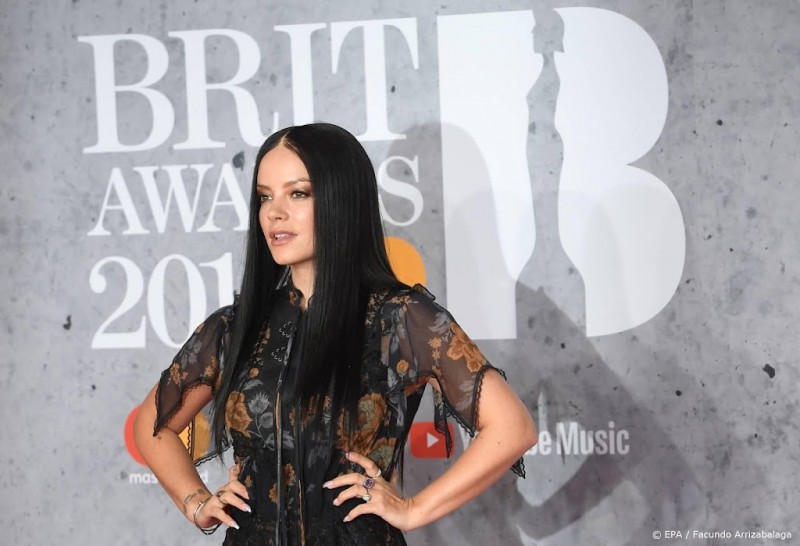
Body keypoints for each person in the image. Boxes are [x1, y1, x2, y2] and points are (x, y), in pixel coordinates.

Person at [133, 122, 537, 545]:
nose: (274, 212)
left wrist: (413, 509)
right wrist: (196, 502)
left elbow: (512, 427)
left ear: (341, 200)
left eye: (298, 193)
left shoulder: (398, 319)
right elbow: (152, 426)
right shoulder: (236, 328)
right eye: (265, 196)